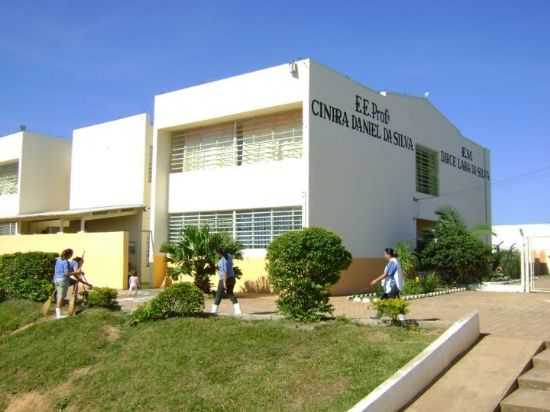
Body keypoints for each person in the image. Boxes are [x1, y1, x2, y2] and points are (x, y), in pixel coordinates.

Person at [210, 247, 241, 315]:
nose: (216, 254)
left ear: (219, 253)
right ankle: (238, 310)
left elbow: (225, 273)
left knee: (218, 295)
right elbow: (230, 265)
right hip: (232, 278)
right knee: (230, 293)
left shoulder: (222, 261)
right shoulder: (229, 256)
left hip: (224, 279)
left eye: (216, 253)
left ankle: (214, 311)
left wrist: (224, 283)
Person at [53, 248, 80, 319]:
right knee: (60, 297)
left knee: (59, 296)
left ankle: (58, 313)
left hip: (56, 279)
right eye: (71, 254)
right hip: (62, 280)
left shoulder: (58, 259)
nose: (71, 256)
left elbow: (57, 258)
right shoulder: (66, 262)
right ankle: (58, 316)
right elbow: (66, 273)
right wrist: (77, 272)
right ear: (69, 255)